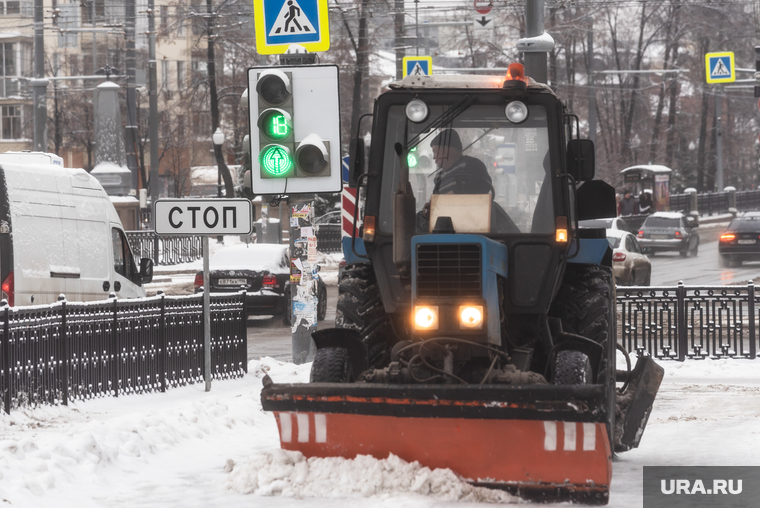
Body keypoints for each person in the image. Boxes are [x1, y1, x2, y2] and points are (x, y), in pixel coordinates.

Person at [430, 129, 493, 195]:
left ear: (447, 150)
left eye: (436, 151)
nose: (434, 157)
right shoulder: (438, 177)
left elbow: (483, 186)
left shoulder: (471, 165)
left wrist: (456, 194)